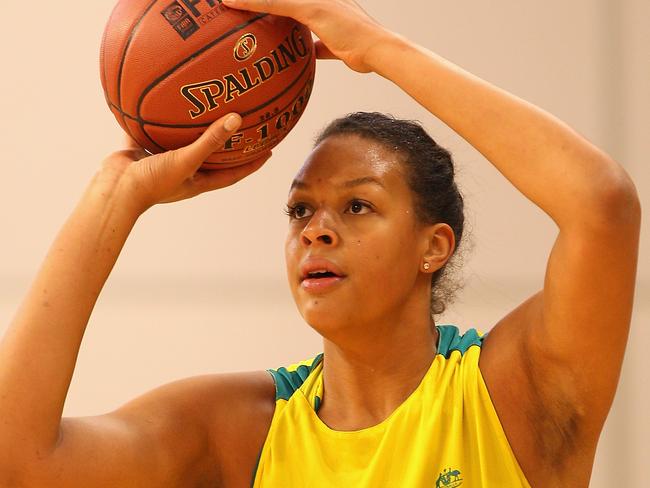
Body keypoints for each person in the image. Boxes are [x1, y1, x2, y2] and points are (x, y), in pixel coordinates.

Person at [0, 0, 641, 486]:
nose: (316, 230)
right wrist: (114, 199)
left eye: (358, 205)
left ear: (434, 246)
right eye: (300, 209)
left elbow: (601, 206)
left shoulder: (511, 394)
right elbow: (18, 461)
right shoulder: (243, 430)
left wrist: (375, 45)